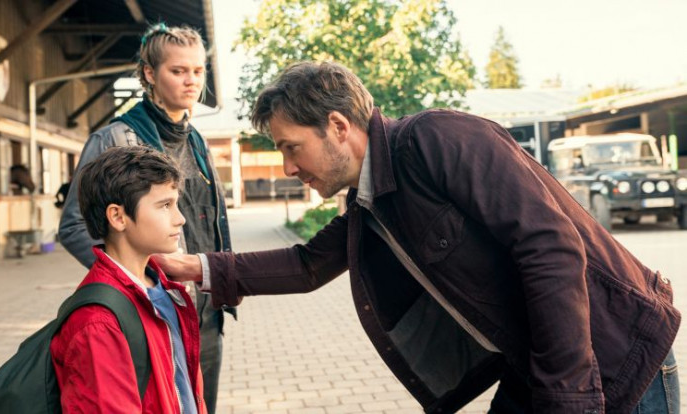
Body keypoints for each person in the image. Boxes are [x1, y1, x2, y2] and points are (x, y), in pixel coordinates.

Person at [156, 61, 681, 413]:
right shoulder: (371, 200)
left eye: (292, 147)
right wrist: (198, 268)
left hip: (616, 360)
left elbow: (550, 247)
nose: (289, 168)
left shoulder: (437, 140)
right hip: (540, 368)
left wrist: (567, 400)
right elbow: (308, 264)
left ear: (338, 126)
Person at [59, 23, 233, 413]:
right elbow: (73, 226)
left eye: (198, 70)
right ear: (150, 74)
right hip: (151, 309)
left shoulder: (198, 141)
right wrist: (140, 278)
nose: (192, 81)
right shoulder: (113, 139)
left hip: (202, 311)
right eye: (178, 70)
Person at [51, 146, 207, 413]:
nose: (180, 219)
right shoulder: (98, 322)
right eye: (165, 205)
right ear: (118, 217)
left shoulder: (163, 287)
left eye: (176, 204)